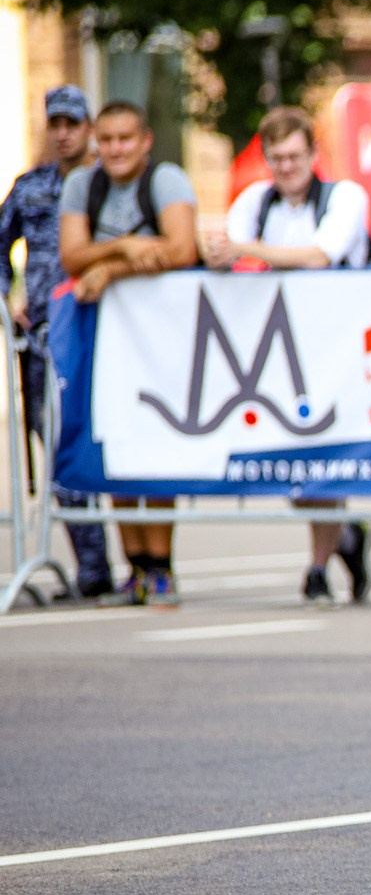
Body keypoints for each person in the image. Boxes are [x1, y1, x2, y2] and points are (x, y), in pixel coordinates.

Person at [206, 106, 371, 607]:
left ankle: (318, 567)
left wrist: (247, 249)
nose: (286, 167)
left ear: (313, 154)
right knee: (292, 462)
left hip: (339, 350)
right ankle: (345, 535)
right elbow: (227, 252)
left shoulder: (344, 197)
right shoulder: (256, 202)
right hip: (279, 351)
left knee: (324, 456)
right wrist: (223, 252)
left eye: (295, 157)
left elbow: (321, 255)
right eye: (277, 158)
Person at [57, 99, 199, 608]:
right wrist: (126, 248)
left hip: (160, 336)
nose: (115, 149)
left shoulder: (165, 180)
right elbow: (72, 255)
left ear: (145, 141)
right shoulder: (84, 185)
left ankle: (161, 567)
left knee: (154, 445)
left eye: (125, 139)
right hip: (105, 336)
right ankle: (135, 568)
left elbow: (180, 249)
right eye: (107, 140)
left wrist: (110, 269)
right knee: (114, 443)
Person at [1, 85, 113, 599]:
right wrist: (9, 300)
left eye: (73, 124)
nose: (64, 134)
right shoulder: (30, 187)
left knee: (113, 448)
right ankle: (92, 566)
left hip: (105, 333)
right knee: (61, 450)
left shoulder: (109, 183)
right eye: (57, 124)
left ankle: (146, 564)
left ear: (89, 127)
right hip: (46, 339)